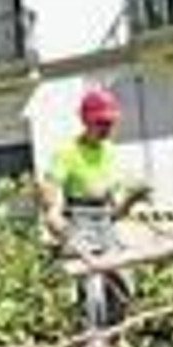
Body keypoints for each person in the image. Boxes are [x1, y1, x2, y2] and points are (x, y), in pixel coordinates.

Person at [39, 88, 150, 334]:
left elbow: (116, 212)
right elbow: (50, 199)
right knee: (92, 291)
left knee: (123, 282)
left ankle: (115, 338)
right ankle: (90, 343)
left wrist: (133, 198)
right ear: (87, 121)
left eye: (110, 122)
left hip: (105, 226)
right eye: (102, 122)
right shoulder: (67, 153)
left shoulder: (110, 151)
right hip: (78, 224)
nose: (108, 128)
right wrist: (58, 225)